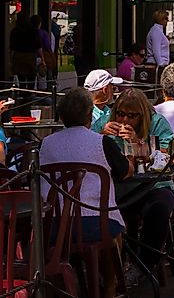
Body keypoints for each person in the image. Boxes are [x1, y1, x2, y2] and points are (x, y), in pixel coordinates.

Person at [94, 87, 174, 285]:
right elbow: (87, 145)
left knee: (159, 209)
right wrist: (99, 134)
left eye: (132, 116)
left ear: (143, 115)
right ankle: (108, 273)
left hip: (154, 186)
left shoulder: (157, 123)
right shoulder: (104, 123)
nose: (124, 121)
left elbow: (166, 157)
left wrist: (138, 144)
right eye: (120, 114)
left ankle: (143, 265)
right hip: (118, 188)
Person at [39, 88, 129, 255]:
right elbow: (124, 172)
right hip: (96, 222)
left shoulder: (45, 144)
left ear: (62, 117)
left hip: (53, 224)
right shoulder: (102, 143)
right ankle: (111, 280)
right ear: (89, 115)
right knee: (115, 232)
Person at [8, 15, 39, 90]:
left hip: (18, 56)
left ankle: (23, 94)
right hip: (30, 56)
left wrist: (11, 61)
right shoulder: (33, 30)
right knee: (31, 78)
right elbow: (38, 45)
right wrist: (42, 59)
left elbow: (12, 47)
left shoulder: (15, 31)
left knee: (21, 78)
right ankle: (30, 94)